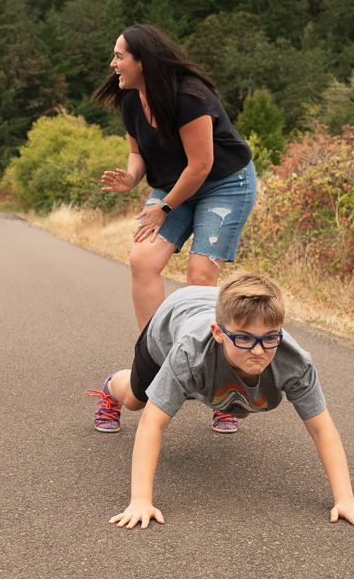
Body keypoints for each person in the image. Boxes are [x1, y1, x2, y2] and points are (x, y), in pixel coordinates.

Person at [85, 271, 354, 530]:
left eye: (270, 338)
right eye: (244, 338)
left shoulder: (294, 362)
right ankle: (112, 387)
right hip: (172, 321)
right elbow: (152, 424)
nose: (258, 350)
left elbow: (322, 429)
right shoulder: (189, 353)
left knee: (248, 403)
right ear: (218, 333)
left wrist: (345, 499)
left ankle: (221, 400)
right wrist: (140, 500)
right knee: (138, 401)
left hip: (219, 323)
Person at [91, 24, 256, 432]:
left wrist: (164, 207)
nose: (113, 64)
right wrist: (131, 179)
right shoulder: (132, 99)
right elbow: (137, 153)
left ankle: (221, 382)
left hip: (224, 185)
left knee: (200, 277)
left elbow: (200, 165)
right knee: (142, 259)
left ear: (143, 60)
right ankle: (161, 359)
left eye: (119, 56)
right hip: (171, 185)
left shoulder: (189, 97)